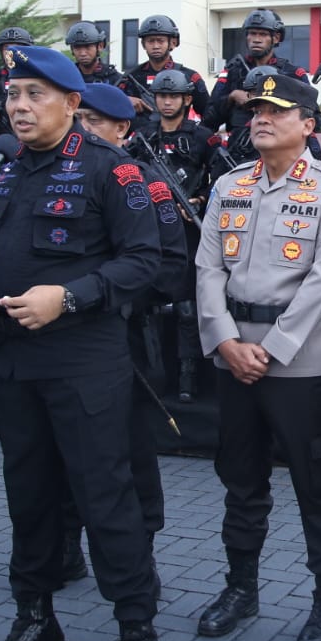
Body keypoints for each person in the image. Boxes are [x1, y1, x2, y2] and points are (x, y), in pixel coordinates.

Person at [0, 46, 162, 641]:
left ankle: (136, 634)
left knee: (105, 500)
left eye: (35, 94)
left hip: (84, 365)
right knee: (29, 497)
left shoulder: (111, 169)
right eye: (13, 95)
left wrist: (67, 297)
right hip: (12, 364)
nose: (18, 106)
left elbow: (144, 262)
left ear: (71, 103)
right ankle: (35, 620)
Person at [194, 71, 321, 641]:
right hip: (234, 354)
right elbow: (207, 268)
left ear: (308, 125)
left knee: (317, 485)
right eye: (257, 110)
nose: (261, 119)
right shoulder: (229, 184)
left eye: (277, 111)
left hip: (299, 362)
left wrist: (274, 347)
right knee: (241, 481)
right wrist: (225, 341)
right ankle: (241, 589)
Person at [68, 82, 188, 562]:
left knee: (130, 452)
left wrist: (108, 295)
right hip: (63, 338)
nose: (83, 130)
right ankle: (66, 547)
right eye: (79, 120)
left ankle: (140, 554)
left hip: (125, 337)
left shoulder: (144, 181)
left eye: (94, 122)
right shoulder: (55, 174)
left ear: (122, 129)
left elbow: (171, 268)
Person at [131, 67, 215, 402]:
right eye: (161, 96)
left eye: (173, 96)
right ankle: (151, 373)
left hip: (186, 227)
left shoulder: (202, 137)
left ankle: (187, 376)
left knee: (186, 308)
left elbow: (221, 176)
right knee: (145, 306)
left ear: (186, 100)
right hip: (148, 226)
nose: (166, 102)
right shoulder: (141, 136)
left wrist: (200, 200)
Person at [204, 9, 309, 167]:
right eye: (252, 34)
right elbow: (209, 119)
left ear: (276, 38)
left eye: (263, 34)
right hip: (238, 154)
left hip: (280, 154)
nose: (256, 39)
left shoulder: (292, 74)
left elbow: (312, 120)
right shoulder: (232, 71)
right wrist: (232, 97)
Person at [121, 14, 210, 119]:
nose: (156, 46)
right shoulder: (130, 77)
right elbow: (109, 106)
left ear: (172, 43)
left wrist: (192, 129)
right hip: (140, 129)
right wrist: (124, 101)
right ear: (143, 44)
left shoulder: (190, 77)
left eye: (160, 40)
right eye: (151, 41)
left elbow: (208, 116)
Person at [66, 20, 124, 86]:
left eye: (87, 46)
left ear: (100, 46)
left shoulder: (115, 79)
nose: (83, 53)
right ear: (72, 49)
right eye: (77, 47)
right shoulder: (66, 78)